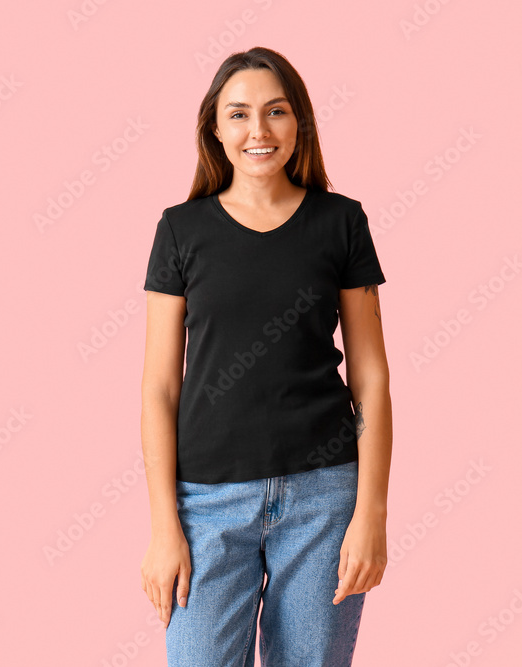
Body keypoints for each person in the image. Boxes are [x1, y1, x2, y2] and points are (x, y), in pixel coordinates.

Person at [139, 46, 392, 667]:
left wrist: (371, 513)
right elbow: (159, 390)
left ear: (298, 122)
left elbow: (371, 378)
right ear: (215, 129)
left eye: (276, 112)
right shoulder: (180, 230)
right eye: (239, 114)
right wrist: (163, 526)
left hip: (324, 498)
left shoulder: (342, 223)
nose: (259, 131)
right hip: (206, 503)